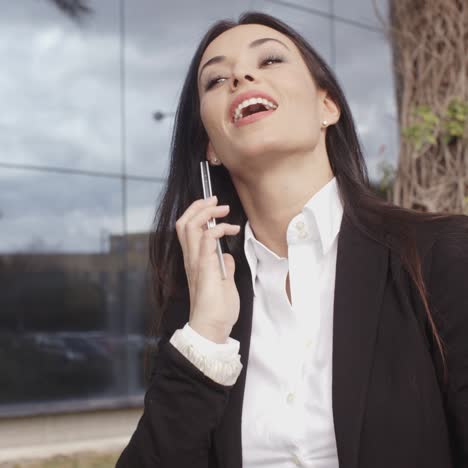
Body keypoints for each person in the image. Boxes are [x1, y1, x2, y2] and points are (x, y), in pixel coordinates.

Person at [116, 11, 468, 468]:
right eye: (216, 79)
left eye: (270, 60)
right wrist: (206, 336)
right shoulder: (199, 309)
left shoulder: (442, 255)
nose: (241, 76)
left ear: (328, 106)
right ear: (210, 148)